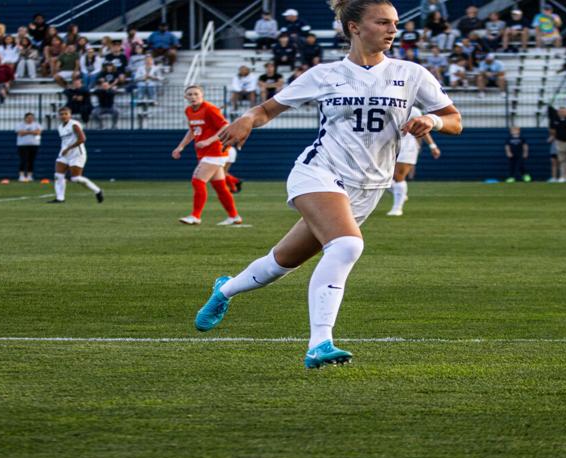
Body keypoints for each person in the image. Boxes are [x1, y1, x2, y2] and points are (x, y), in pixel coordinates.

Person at [192, 0, 461, 369]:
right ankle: (320, 343)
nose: (393, 30)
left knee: (280, 263)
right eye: (383, 22)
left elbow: (454, 120)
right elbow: (267, 109)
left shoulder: (411, 74)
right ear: (354, 27)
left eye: (395, 23)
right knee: (348, 245)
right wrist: (247, 118)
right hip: (319, 172)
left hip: (368, 188)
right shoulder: (324, 74)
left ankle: (224, 289)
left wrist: (433, 120)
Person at [172, 85, 242, 225]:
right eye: (190, 94)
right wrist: (180, 147)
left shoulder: (210, 109)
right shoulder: (189, 111)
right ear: (185, 97)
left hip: (216, 151)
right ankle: (234, 216)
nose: (193, 97)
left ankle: (195, 216)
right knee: (220, 186)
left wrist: (209, 140)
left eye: (196, 94)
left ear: (202, 95)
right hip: (205, 153)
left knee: (197, 181)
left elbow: (225, 126)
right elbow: (192, 131)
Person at [50, 106, 104, 203]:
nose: (64, 116)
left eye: (66, 114)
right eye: (61, 114)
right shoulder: (60, 127)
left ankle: (98, 191)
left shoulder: (74, 124)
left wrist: (68, 148)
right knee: (58, 175)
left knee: (75, 178)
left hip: (77, 154)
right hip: (64, 153)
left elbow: (82, 139)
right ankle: (60, 198)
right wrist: (65, 149)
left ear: (70, 115)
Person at [387, 128, 440, 215]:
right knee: (380, 176)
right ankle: (400, 193)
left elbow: (423, 129)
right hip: (389, 145)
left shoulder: (413, 113)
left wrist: (433, 146)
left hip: (407, 147)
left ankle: (397, 209)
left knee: (398, 176)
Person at [16, 111, 42, 181]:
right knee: (23, 160)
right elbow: (20, 133)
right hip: (22, 145)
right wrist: (32, 132)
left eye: (31, 118)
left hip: (34, 145)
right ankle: (21, 176)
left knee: (31, 160)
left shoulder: (37, 124)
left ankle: (30, 176)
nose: (30, 119)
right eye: (28, 118)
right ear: (25, 118)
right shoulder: (20, 125)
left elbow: (38, 132)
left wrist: (26, 132)